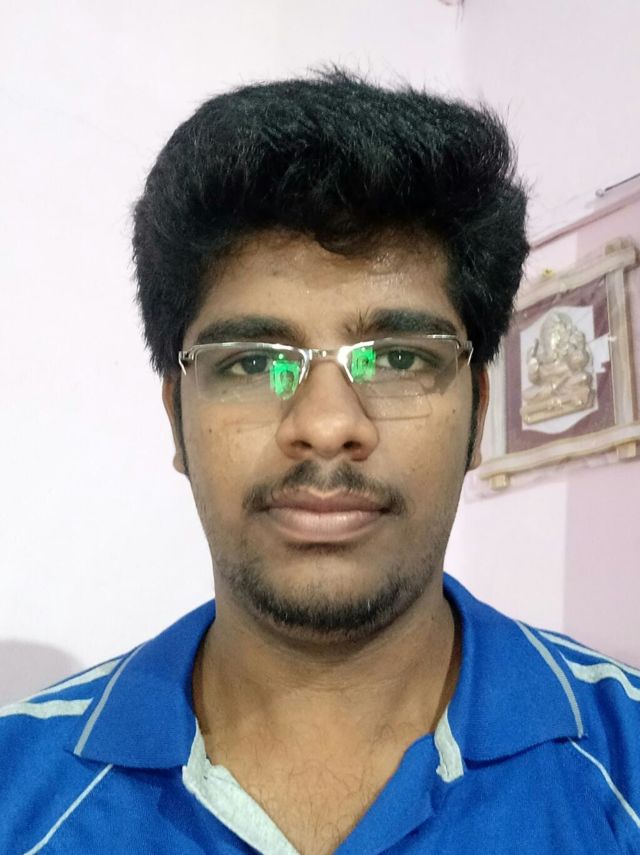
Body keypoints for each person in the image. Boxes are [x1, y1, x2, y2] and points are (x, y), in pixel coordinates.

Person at [2, 69, 639, 855]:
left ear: (478, 412)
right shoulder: (16, 790)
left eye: (398, 356)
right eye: (251, 360)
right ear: (177, 417)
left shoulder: (625, 760)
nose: (328, 424)